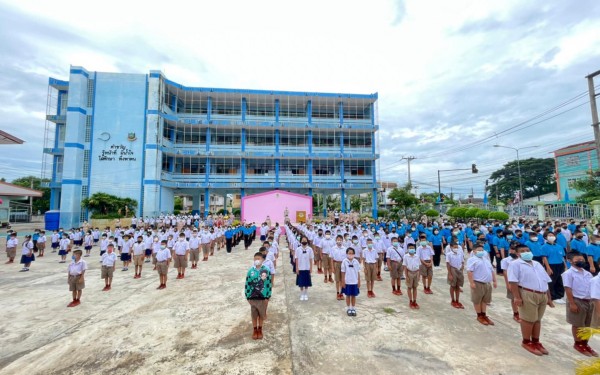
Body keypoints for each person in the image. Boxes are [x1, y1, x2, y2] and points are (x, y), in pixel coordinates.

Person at [508, 244, 555, 356]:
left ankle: (536, 341)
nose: (526, 252)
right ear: (518, 254)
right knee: (528, 320)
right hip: (528, 293)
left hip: (542, 294)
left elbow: (545, 280)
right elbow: (513, 282)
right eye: (523, 251)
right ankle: (526, 341)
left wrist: (549, 298)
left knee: (537, 319)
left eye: (528, 250)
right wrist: (517, 297)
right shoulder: (515, 264)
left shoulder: (537, 264)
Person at [562, 252, 597, 356]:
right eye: (578, 259)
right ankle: (578, 344)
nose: (580, 261)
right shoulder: (568, 273)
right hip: (577, 300)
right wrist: (572, 303)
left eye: (582, 259)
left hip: (589, 301)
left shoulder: (588, 273)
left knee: (587, 324)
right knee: (578, 323)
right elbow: (568, 289)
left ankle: (585, 343)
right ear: (570, 261)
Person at [245, 252, 272, 340]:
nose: (257, 260)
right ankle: (254, 330)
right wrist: (247, 296)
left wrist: (268, 296)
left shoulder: (266, 270)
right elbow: (247, 283)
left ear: (263, 260)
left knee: (261, 315)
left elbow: (268, 284)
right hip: (253, 297)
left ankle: (260, 329)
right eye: (255, 258)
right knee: (254, 315)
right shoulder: (250, 271)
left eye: (259, 258)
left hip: (262, 297)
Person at [467, 244, 497, 325]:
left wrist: (494, 281)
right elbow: (470, 271)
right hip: (478, 282)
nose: (481, 252)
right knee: (477, 300)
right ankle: (479, 315)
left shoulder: (486, 260)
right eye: (478, 250)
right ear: (474, 251)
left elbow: (491, 271)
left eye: (482, 250)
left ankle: (484, 314)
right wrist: (471, 282)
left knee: (485, 300)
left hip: (487, 283)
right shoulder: (472, 260)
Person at [542, 231, 566, 304]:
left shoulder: (559, 246)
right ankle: (552, 296)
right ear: (546, 237)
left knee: (560, 280)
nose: (551, 236)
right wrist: (548, 268)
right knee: (552, 281)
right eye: (549, 235)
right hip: (551, 265)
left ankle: (560, 295)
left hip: (560, 265)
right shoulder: (544, 247)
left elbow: (562, 257)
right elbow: (544, 257)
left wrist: (564, 265)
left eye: (553, 235)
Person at [501, 242, 521, 322]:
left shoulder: (522, 259)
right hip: (512, 282)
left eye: (515, 249)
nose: (513, 251)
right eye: (512, 249)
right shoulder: (506, 260)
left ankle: (522, 313)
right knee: (514, 298)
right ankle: (516, 313)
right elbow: (505, 272)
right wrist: (508, 284)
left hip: (521, 282)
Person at [341, 248, 361, 316]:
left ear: (354, 254)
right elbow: (343, 272)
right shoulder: (344, 261)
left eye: (352, 253)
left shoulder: (356, 261)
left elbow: (358, 272)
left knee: (353, 296)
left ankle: (353, 308)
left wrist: (359, 281)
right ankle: (348, 308)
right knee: (348, 295)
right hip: (347, 281)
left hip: (354, 281)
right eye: (349, 253)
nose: (351, 255)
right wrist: (343, 281)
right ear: (347, 254)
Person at [446, 241, 465, 309]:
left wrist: (462, 268)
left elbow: (462, 261)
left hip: (459, 270)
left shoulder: (460, 254)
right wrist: (450, 274)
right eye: (454, 247)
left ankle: (457, 300)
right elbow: (448, 264)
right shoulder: (449, 254)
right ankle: (453, 300)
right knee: (453, 285)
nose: (456, 248)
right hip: (453, 269)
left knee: (458, 286)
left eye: (457, 247)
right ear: (451, 247)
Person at [295, 236, 314, 301]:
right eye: (303, 240)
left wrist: (311, 268)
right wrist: (297, 268)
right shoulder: (298, 249)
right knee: (301, 283)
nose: (304, 241)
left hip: (307, 268)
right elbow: (296, 259)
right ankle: (302, 294)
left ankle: (305, 294)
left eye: (305, 240)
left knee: (306, 283)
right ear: (300, 241)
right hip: (300, 268)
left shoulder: (310, 249)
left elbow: (311, 259)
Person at [403, 243, 421, 309]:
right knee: (409, 287)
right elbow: (405, 266)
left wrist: (419, 275)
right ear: (408, 249)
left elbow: (419, 266)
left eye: (413, 248)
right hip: (409, 273)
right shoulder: (406, 256)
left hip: (416, 272)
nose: (412, 249)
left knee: (415, 287)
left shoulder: (417, 256)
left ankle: (415, 301)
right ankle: (410, 301)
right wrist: (406, 276)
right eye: (410, 248)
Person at [331, 235, 347, 300]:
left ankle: (341, 293)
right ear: (336, 240)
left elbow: (346, 259)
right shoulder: (333, 248)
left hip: (343, 264)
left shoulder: (345, 249)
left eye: (340, 239)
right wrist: (332, 267)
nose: (339, 241)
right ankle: (337, 293)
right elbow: (331, 259)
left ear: (342, 241)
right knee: (337, 280)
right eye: (338, 239)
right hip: (336, 264)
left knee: (342, 280)